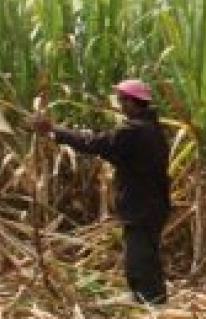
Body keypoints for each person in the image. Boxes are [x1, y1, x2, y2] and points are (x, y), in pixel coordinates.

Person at [31, 78, 171, 305]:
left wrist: (53, 131)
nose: (120, 105)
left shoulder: (134, 131)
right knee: (146, 254)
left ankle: (150, 302)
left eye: (123, 101)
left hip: (141, 206)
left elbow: (96, 143)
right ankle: (152, 299)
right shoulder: (152, 129)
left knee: (140, 257)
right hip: (152, 204)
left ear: (134, 103)